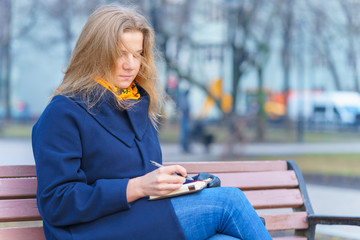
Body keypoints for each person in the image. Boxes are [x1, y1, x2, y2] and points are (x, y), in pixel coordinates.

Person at [32, 5, 272, 240]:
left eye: (138, 54)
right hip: (93, 230)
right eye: (120, 53)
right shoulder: (63, 112)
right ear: (96, 52)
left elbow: (143, 179)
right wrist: (138, 187)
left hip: (141, 219)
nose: (131, 64)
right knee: (229, 202)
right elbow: (56, 201)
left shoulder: (135, 104)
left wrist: (178, 185)